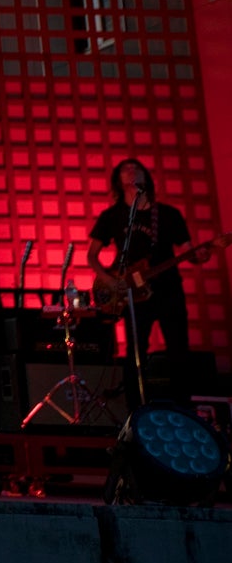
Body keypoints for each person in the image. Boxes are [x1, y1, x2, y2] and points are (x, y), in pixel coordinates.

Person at [88, 159, 208, 397]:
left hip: (169, 290)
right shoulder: (112, 216)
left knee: (178, 351)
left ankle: (182, 409)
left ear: (146, 177)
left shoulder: (168, 214)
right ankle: (135, 411)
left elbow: (188, 250)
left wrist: (200, 256)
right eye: (125, 169)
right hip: (134, 296)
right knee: (135, 352)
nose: (132, 171)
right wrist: (110, 280)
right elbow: (92, 256)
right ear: (118, 180)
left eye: (137, 168)